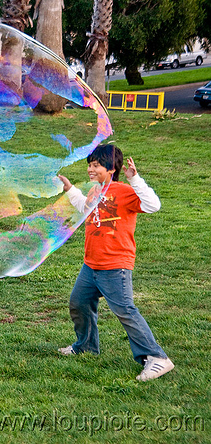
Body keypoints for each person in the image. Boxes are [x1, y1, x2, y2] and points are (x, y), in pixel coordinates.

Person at [57, 144, 174, 382]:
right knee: (79, 302)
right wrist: (70, 189)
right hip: (91, 264)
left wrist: (136, 180)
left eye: (96, 165)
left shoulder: (123, 191)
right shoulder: (94, 191)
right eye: (89, 165)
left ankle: (156, 357)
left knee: (125, 311)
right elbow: (84, 209)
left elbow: (153, 205)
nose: (91, 169)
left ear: (111, 169)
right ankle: (86, 346)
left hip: (115, 265)